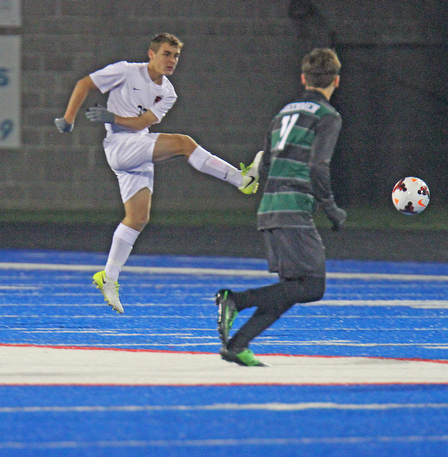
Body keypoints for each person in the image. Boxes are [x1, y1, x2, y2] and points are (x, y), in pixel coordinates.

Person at [55, 32, 263, 314]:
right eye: (167, 54)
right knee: (183, 143)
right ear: (151, 54)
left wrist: (112, 116)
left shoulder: (168, 92)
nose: (172, 61)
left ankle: (108, 276)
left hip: (138, 145)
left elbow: (143, 121)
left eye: (176, 56)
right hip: (120, 146)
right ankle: (242, 180)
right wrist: (69, 119)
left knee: (138, 218)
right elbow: (84, 84)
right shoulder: (125, 71)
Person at [215, 48, 347, 367]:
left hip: (270, 207)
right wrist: (330, 208)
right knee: (313, 287)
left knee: (292, 287)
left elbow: (266, 164)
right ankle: (236, 300)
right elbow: (318, 166)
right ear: (336, 81)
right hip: (294, 209)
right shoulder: (328, 116)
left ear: (303, 78)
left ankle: (238, 344)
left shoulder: (283, 113)